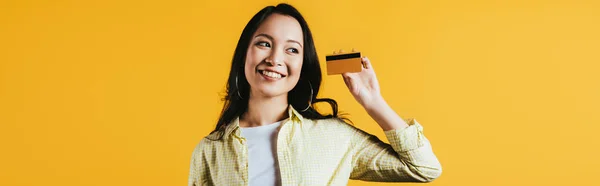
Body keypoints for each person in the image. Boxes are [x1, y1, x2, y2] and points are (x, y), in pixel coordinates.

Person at [188, 3, 442, 186]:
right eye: (264, 43)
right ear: (245, 53)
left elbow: (423, 168)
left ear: (302, 65)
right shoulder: (210, 150)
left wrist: (373, 101)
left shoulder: (335, 137)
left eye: (292, 50)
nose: (275, 59)